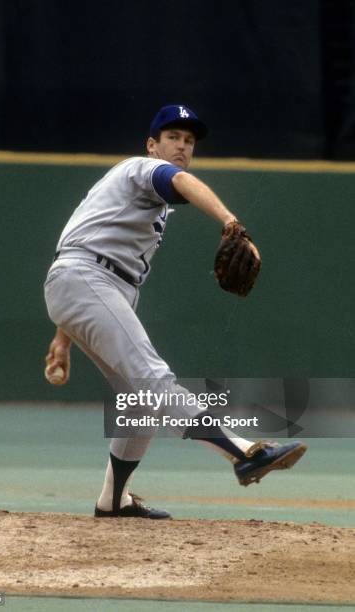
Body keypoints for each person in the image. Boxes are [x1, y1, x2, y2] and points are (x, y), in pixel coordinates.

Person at [44, 104, 307, 519]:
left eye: (188, 141)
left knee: (140, 399)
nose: (182, 146)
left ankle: (113, 500)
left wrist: (62, 338)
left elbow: (86, 243)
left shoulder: (141, 198)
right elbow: (180, 180)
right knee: (154, 379)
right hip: (88, 280)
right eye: (172, 138)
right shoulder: (142, 170)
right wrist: (231, 224)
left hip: (88, 283)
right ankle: (242, 452)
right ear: (152, 145)